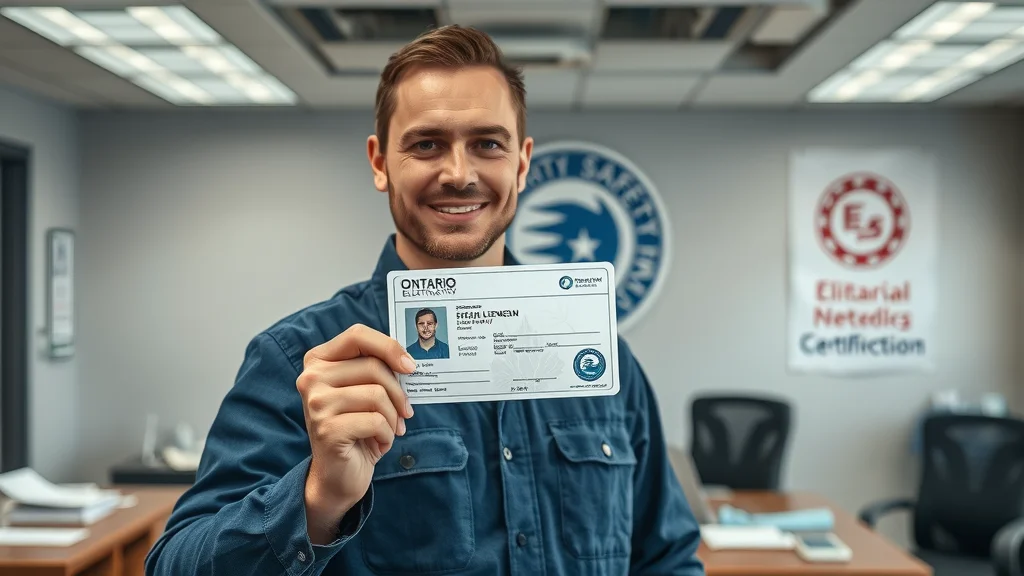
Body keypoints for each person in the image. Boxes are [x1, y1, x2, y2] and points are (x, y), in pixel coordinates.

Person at [145, 25, 704, 576]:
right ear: (380, 162)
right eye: (426, 144)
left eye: (487, 143)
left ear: (523, 162)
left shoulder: (603, 360)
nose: (458, 174)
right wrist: (316, 499)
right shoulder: (301, 361)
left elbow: (667, 558)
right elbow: (173, 566)